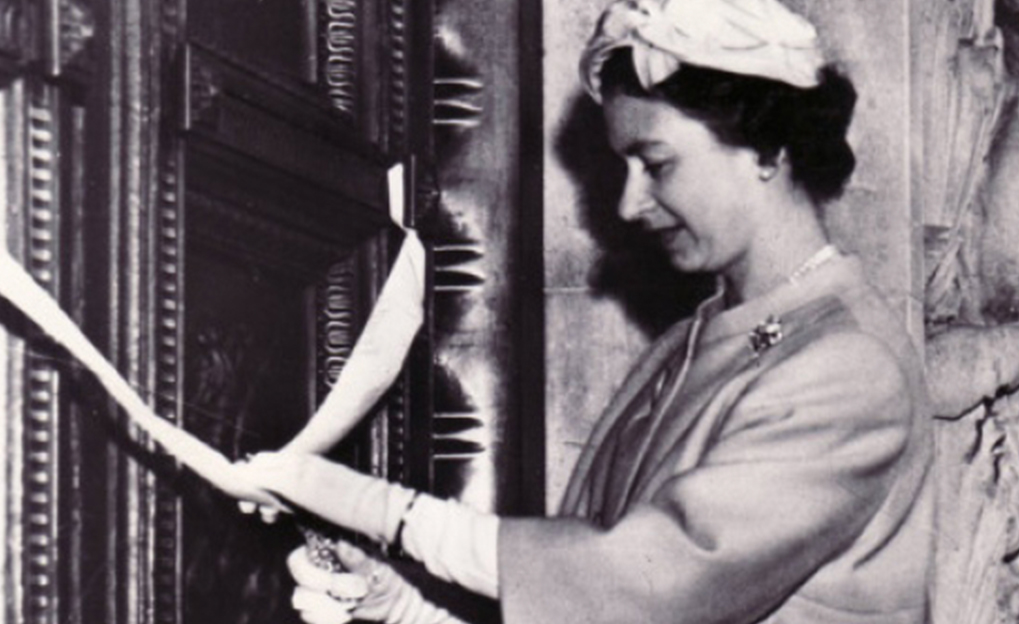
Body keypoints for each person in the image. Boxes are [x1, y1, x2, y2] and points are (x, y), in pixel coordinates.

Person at [238, 0, 934, 622]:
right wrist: (409, 613)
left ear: (767, 151)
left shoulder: (849, 367)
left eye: (657, 164)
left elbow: (644, 587)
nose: (630, 205)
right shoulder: (694, 340)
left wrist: (384, 511)